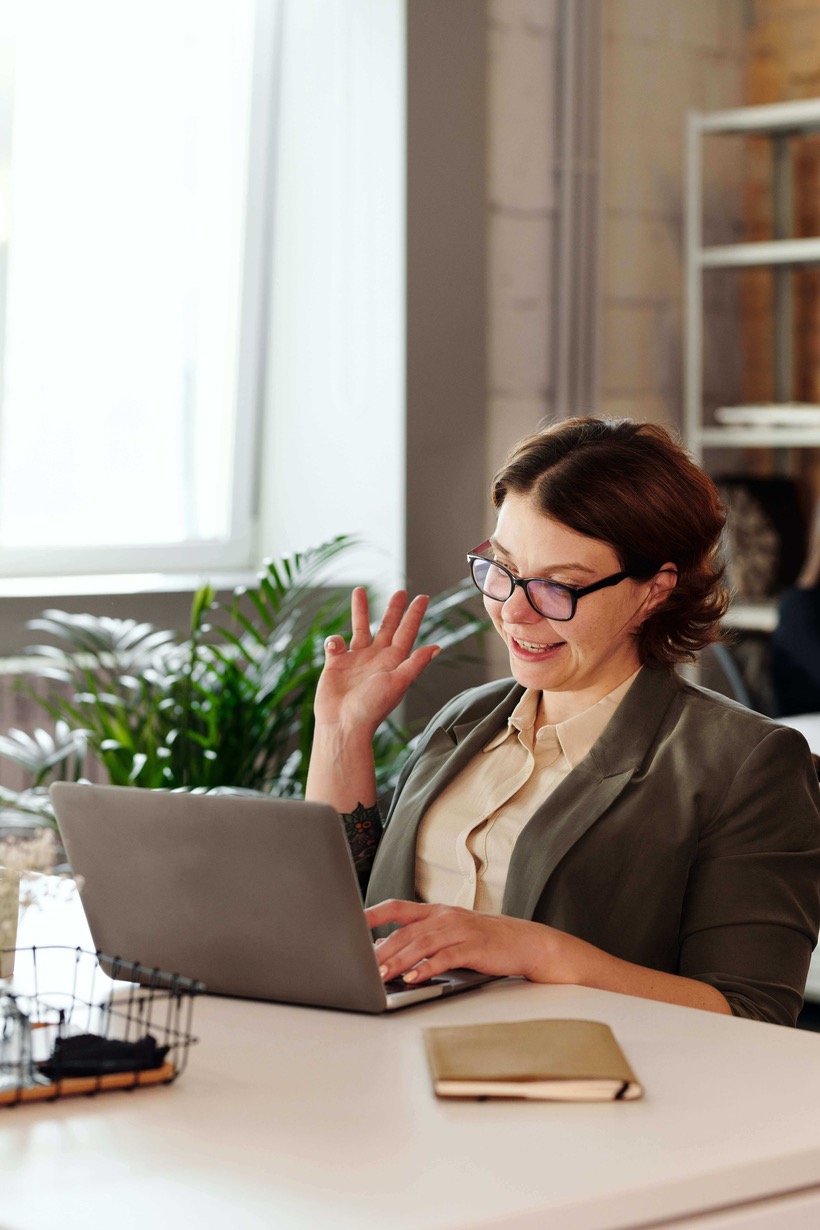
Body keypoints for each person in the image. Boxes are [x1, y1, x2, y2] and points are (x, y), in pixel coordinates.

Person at [306, 417, 820, 1027]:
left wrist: (539, 951)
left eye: (557, 586)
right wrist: (341, 733)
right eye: (502, 570)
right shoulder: (464, 721)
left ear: (654, 590)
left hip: (590, 1098)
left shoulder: (744, 763)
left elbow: (753, 1012)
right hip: (393, 1068)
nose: (514, 611)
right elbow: (353, 913)